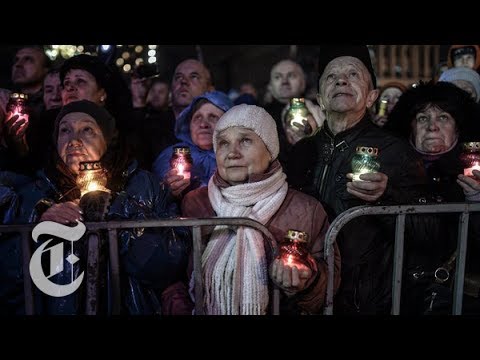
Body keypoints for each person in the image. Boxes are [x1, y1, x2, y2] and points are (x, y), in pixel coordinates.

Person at [0, 100, 190, 315]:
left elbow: (167, 266)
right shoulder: (38, 192)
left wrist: (116, 212)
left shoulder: (143, 186)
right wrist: (39, 223)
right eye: (65, 131)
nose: (74, 140)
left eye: (87, 129)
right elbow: (9, 274)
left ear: (107, 139)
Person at [287, 45, 427, 314]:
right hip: (308, 293)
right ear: (320, 98)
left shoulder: (395, 151)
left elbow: (430, 232)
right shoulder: (301, 151)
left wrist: (388, 196)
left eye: (353, 74)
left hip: (365, 301)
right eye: (331, 76)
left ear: (372, 96)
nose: (341, 80)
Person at [164, 104, 340, 315]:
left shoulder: (306, 209)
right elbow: (171, 275)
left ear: (270, 150)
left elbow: (328, 287)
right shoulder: (195, 203)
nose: (232, 153)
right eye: (223, 143)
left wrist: (306, 279)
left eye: (245, 140)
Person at [386, 81, 480, 314]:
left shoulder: (474, 173)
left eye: (443, 117)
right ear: (410, 128)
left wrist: (477, 201)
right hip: (396, 295)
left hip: (458, 299)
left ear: (458, 128)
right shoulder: (387, 171)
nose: (432, 127)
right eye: (422, 118)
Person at [153, 91, 233, 200]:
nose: (203, 124)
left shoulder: (238, 156)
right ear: (189, 125)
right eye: (198, 117)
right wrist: (170, 190)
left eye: (213, 117)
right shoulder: (174, 154)